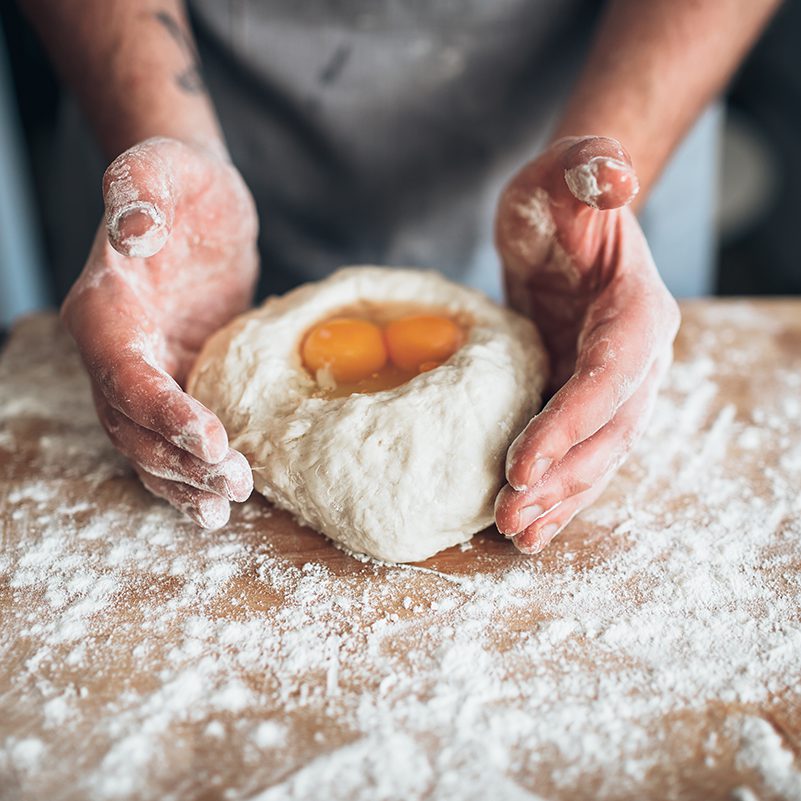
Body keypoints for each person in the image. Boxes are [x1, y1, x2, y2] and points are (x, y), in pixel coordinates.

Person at [20, 0, 779, 554]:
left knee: (603, 355)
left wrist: (604, 180)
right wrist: (159, 131)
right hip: (187, 90)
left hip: (611, 83)